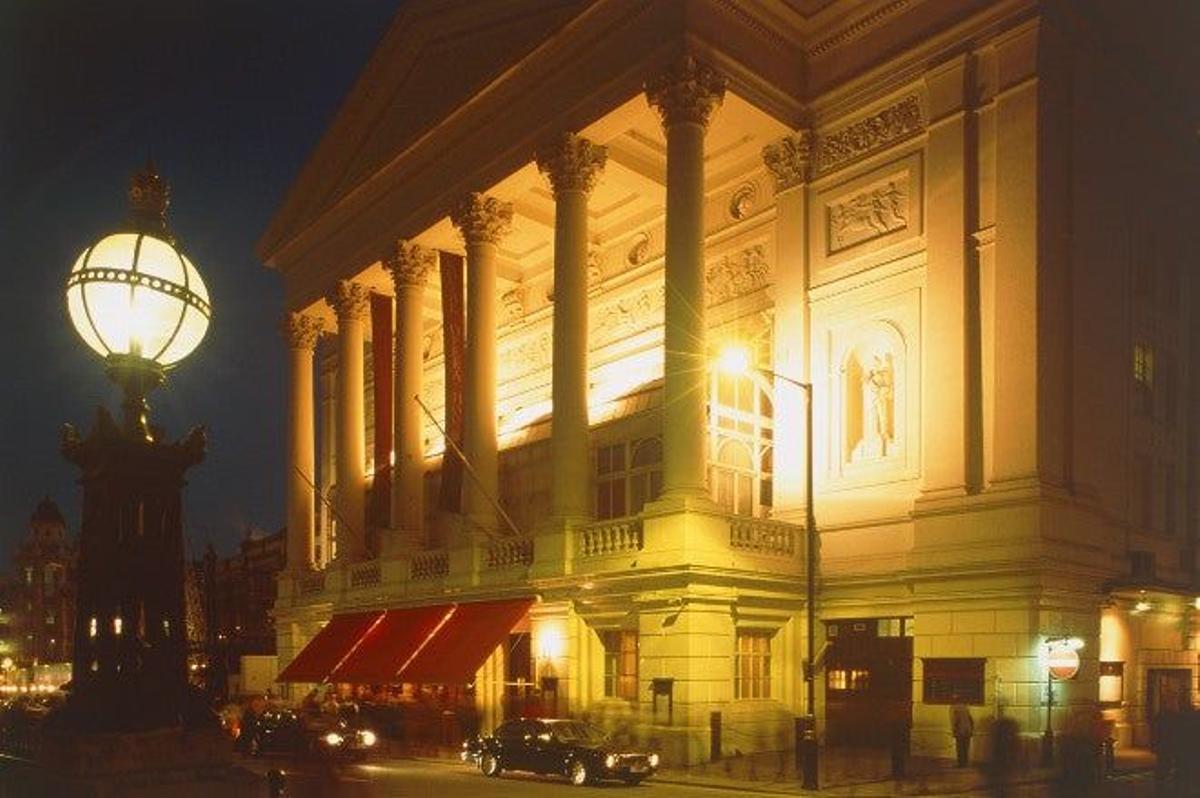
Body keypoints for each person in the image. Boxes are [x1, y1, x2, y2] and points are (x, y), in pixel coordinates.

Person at [950, 695, 973, 768]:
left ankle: (960, 764)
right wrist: (971, 729)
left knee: (960, 748)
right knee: (966, 747)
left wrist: (954, 730)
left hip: (960, 730)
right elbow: (971, 719)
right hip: (968, 730)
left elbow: (954, 720)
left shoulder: (953, 708)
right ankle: (965, 763)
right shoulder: (965, 707)